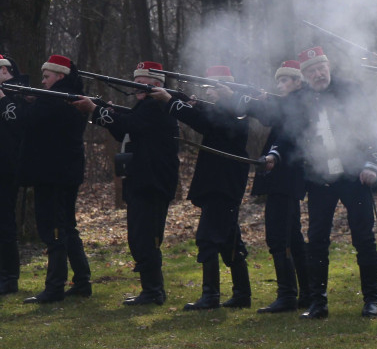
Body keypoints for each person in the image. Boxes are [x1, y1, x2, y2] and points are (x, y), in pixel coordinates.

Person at [268, 46, 377, 319]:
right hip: (320, 178)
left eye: (321, 68)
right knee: (317, 240)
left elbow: (372, 129)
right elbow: (287, 134)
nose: (318, 74)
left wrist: (372, 164)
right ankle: (317, 302)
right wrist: (274, 154)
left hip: (354, 176)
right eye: (311, 71)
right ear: (304, 76)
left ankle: (371, 300)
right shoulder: (300, 99)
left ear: (328, 67)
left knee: (363, 238)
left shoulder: (351, 90)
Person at [73, 61, 180, 306]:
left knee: (146, 237)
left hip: (152, 181)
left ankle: (153, 291)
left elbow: (129, 125)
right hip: (143, 179)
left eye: (142, 83)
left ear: (156, 84)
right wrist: (105, 112)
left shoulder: (155, 105)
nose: (137, 87)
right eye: (136, 82)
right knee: (139, 237)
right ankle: (151, 289)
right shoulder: (145, 106)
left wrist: (96, 110)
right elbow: (126, 131)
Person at [152, 66, 252, 311]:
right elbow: (207, 117)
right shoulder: (224, 109)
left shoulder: (236, 111)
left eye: (213, 88)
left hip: (223, 185)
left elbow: (206, 122)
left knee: (207, 239)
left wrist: (171, 102)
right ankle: (242, 293)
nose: (209, 92)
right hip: (219, 184)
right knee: (229, 240)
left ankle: (211, 296)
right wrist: (189, 104)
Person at [240, 60, 311, 313]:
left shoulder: (299, 104)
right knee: (292, 236)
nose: (279, 85)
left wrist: (274, 155)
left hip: (286, 176)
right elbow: (269, 117)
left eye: (285, 80)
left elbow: (287, 135)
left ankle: (288, 294)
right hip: (286, 178)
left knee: (279, 237)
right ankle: (306, 293)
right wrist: (255, 101)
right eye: (278, 80)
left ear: (298, 82)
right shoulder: (289, 103)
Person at [21, 55, 90, 304]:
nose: (43, 81)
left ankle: (55, 286)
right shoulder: (65, 98)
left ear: (60, 76)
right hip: (64, 173)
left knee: (55, 230)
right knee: (67, 227)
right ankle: (81, 281)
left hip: (53, 175)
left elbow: (29, 120)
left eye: (47, 77)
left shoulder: (55, 99)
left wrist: (9, 100)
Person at [0, 55, 26, 295]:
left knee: (5, 223)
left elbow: (16, 123)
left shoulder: (19, 93)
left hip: (7, 168)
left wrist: (2, 98)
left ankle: (9, 276)